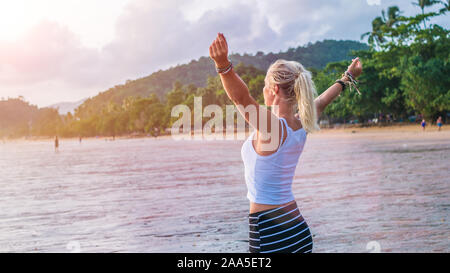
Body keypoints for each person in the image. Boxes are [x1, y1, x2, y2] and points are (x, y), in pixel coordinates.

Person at [209, 33, 362, 253]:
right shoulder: (302, 123)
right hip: (297, 231)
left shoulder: (273, 128)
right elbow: (323, 100)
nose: (262, 90)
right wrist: (346, 77)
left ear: (274, 90)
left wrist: (223, 65)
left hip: (270, 233)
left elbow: (241, 99)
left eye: (264, 85)